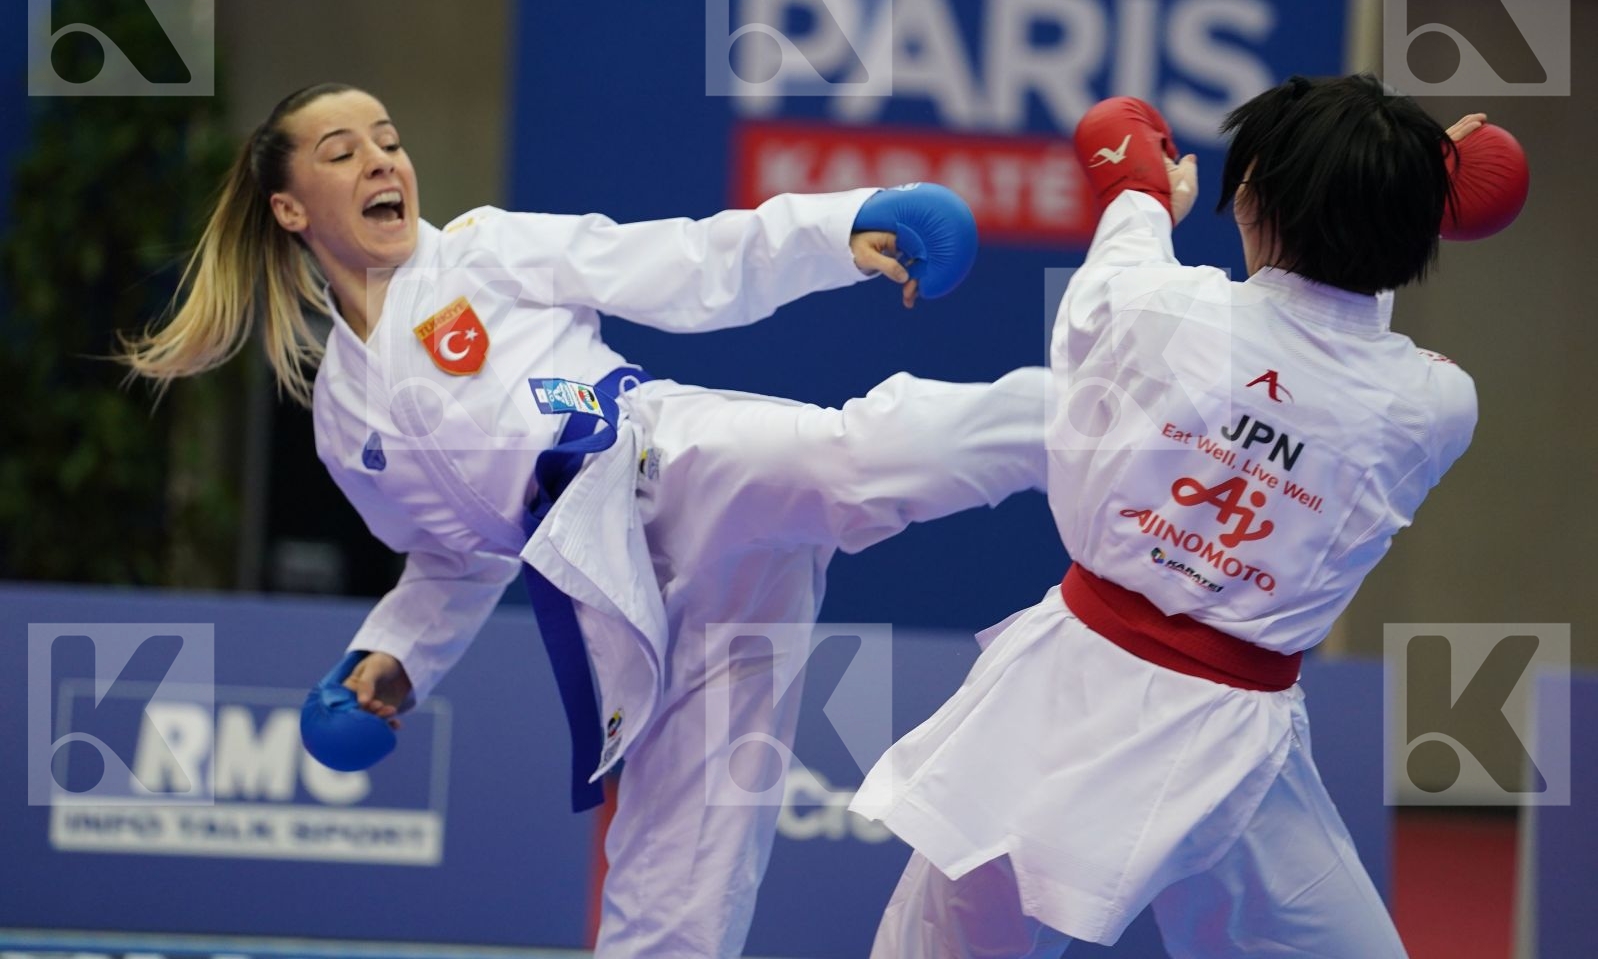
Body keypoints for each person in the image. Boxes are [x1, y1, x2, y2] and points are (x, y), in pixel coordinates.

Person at [121, 82, 1050, 958]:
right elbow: (452, 558)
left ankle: (1082, 420)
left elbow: (685, 260)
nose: (381, 162)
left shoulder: (482, 250)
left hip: (658, 459)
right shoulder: (341, 422)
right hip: (614, 594)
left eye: (391, 143)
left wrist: (842, 225)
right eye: (343, 152)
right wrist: (392, 657)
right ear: (291, 209)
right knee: (680, 857)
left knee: (845, 458)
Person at [852, 75, 1487, 957]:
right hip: (1232, 730)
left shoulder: (1159, 309)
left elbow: (1129, 232)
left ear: (1250, 193)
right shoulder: (1437, 403)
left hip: (1067, 698)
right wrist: (1404, 191)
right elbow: (1346, 342)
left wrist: (1146, 194)